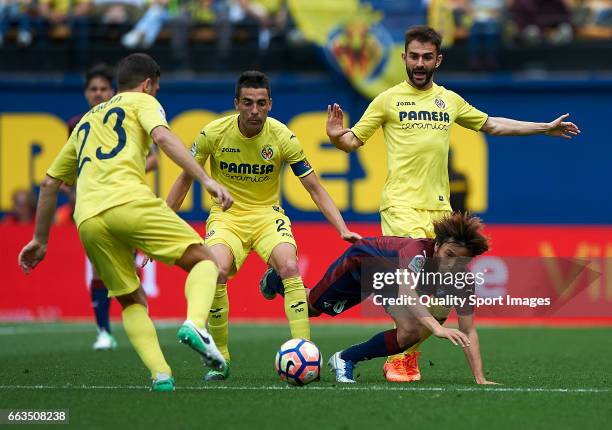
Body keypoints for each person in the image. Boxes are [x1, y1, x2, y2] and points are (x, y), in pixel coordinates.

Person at [325, 25, 580, 382]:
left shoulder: (449, 100)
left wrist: (543, 128)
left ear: (437, 60)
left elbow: (492, 124)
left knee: (442, 297)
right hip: (401, 208)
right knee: (413, 288)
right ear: (404, 58)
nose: (419, 63)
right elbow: (352, 141)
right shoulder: (386, 100)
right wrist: (337, 137)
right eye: (413, 56)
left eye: (427, 57)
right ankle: (400, 355)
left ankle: (401, 351)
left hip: (441, 215)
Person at [18, 53, 234, 392]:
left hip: (87, 217)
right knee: (204, 260)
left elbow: (48, 183)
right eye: (156, 89)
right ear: (148, 84)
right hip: (128, 201)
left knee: (131, 299)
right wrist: (206, 180)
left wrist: (40, 241)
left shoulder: (87, 121)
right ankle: (194, 323)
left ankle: (161, 376)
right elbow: (162, 139)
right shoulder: (141, 101)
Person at [166, 70, 361, 381]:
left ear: (270, 104)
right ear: (236, 104)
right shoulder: (212, 134)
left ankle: (306, 349)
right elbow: (184, 179)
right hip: (227, 217)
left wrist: (340, 227)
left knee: (289, 266)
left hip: (268, 215)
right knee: (216, 270)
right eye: (247, 103)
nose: (254, 110)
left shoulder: (283, 137)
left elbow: (314, 187)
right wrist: (161, 223)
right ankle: (222, 358)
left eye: (260, 103)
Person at [260, 212, 496, 384]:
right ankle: (276, 280)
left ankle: (345, 359)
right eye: (448, 254)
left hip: (388, 281)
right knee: (313, 307)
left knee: (410, 332)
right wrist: (436, 327)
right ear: (437, 245)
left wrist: (480, 377)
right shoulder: (418, 252)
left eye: (459, 260)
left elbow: (468, 330)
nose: (451, 264)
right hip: (363, 263)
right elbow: (406, 291)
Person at [66, 63, 159, 351]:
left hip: (126, 199)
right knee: (98, 270)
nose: (97, 94)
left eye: (103, 89)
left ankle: (139, 324)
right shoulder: (77, 124)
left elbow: (154, 158)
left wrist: (119, 169)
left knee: (128, 270)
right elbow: (72, 165)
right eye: (93, 89)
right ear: (85, 93)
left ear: (113, 91)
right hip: (94, 204)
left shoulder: (131, 116)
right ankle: (104, 332)